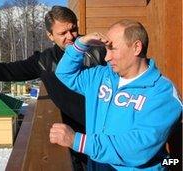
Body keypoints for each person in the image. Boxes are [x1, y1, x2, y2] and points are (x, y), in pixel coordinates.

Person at [0, 6, 107, 170]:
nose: (71, 36)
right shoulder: (44, 62)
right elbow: (6, 70)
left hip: (107, 134)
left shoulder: (98, 51)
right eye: (63, 33)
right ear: (50, 35)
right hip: (74, 141)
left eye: (73, 29)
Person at [51, 19, 182, 170]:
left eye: (112, 49)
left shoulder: (162, 93)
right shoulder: (102, 76)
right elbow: (65, 73)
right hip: (97, 165)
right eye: (106, 50)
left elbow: (137, 149)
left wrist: (77, 141)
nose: (106, 58)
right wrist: (81, 43)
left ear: (136, 47)